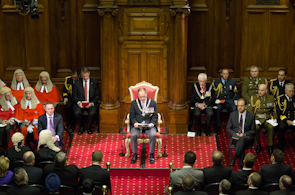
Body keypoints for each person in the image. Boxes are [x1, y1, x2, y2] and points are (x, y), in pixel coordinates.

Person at [129, 88, 158, 164]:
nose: (142, 98)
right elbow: (132, 116)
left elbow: (155, 115)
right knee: (133, 135)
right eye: (140, 97)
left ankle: (152, 155)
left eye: (144, 97)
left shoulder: (152, 103)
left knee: (153, 135)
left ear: (146, 95)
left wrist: (152, 123)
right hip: (137, 126)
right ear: (138, 96)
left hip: (149, 125)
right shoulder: (134, 103)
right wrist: (135, 123)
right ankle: (134, 154)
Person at [247, 84, 276, 154]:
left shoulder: (271, 98)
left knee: (271, 127)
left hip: (267, 118)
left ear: (266, 91)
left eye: (262, 90)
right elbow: (250, 111)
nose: (259, 92)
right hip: (257, 119)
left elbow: (274, 110)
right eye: (259, 90)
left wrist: (275, 119)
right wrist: (252, 120)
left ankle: (270, 146)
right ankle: (258, 145)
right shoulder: (253, 98)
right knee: (255, 127)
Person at [227, 98, 256, 167]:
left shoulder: (251, 116)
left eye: (241, 106)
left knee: (242, 139)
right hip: (236, 136)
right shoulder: (233, 115)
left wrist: (244, 134)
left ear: (246, 106)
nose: (239, 107)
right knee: (241, 142)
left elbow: (253, 130)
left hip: (247, 137)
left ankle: (234, 158)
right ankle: (241, 165)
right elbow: (228, 128)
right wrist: (234, 134)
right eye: (238, 106)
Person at [72, 67, 100, 134]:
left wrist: (92, 103)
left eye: (86, 76)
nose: (85, 77)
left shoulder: (94, 83)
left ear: (89, 74)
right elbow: (74, 96)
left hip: (90, 103)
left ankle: (89, 127)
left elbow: (97, 95)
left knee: (92, 113)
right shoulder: (77, 83)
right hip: (80, 103)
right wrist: (79, 103)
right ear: (81, 75)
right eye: (83, 76)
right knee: (77, 113)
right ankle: (81, 127)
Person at [212, 69, 239, 134]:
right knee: (217, 109)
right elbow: (213, 93)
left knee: (234, 108)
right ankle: (217, 126)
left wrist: (235, 99)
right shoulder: (216, 82)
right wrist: (215, 99)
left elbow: (236, 92)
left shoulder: (232, 81)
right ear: (221, 74)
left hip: (229, 101)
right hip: (220, 101)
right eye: (224, 74)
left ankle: (233, 126)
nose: (225, 75)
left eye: (227, 74)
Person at [276, 83, 295, 150]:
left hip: (293, 119)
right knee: (281, 127)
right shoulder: (280, 99)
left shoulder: (294, 98)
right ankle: (280, 146)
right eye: (290, 91)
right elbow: (278, 112)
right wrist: (286, 120)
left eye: (292, 91)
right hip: (284, 119)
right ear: (285, 91)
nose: (291, 93)